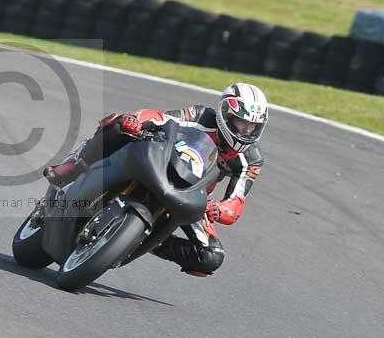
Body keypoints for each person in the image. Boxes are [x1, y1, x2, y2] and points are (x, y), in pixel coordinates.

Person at [42, 83, 268, 277]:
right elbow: (162, 117)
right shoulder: (202, 116)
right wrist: (137, 120)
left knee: (210, 257)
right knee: (118, 125)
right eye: (240, 123)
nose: (246, 131)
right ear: (225, 114)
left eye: (252, 127)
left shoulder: (250, 159)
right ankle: (71, 167)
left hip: (192, 192)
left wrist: (218, 209)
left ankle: (147, 240)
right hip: (163, 159)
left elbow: (237, 201)